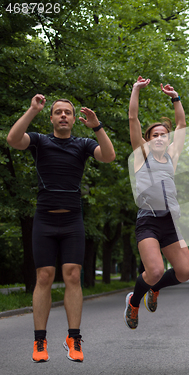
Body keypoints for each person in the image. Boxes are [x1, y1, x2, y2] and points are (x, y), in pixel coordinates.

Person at [7, 95, 116, 362]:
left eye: (68, 112)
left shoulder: (83, 144)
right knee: (44, 276)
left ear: (73, 119)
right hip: (44, 219)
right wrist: (32, 109)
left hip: (72, 221)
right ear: (52, 118)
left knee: (72, 276)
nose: (64, 115)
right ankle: (40, 341)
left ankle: (74, 338)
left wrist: (97, 126)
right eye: (59, 112)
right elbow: (12, 139)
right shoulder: (41, 141)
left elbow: (109, 156)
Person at [124, 76, 189, 330]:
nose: (161, 138)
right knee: (153, 271)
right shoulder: (141, 154)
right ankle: (134, 301)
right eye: (155, 135)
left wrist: (176, 98)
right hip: (148, 221)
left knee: (185, 272)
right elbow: (133, 119)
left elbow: (182, 124)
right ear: (147, 139)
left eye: (164, 135)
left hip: (170, 221)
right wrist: (136, 90)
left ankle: (156, 289)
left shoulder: (171, 157)